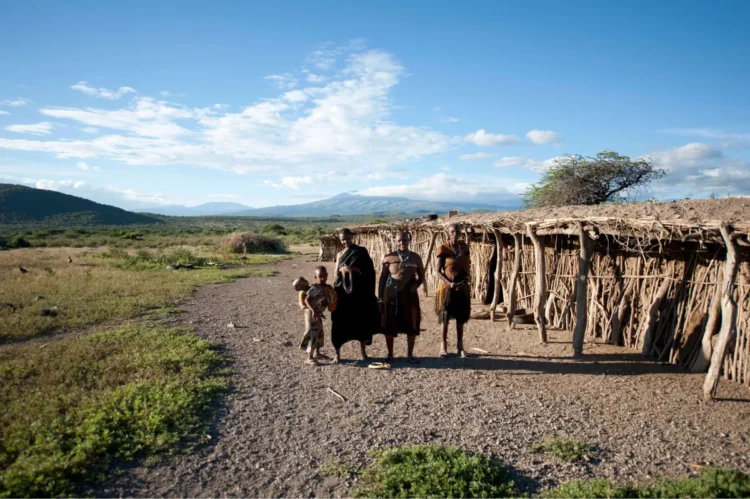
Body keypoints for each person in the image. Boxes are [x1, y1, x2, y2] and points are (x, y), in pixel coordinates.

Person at [331, 228, 379, 364]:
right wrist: (341, 271)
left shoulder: (361, 252)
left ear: (352, 237)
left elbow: (369, 271)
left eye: (348, 238)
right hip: (342, 294)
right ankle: (337, 354)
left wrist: (354, 269)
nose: (346, 241)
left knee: (361, 321)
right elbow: (335, 274)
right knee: (339, 321)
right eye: (343, 239)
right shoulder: (340, 254)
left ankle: (363, 352)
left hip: (359, 294)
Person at [378, 231, 425, 363]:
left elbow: (421, 276)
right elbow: (382, 279)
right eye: (399, 240)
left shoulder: (415, 258)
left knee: (412, 322)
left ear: (409, 240)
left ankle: (409, 354)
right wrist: (380, 298)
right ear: (395, 241)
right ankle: (390, 354)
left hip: (409, 294)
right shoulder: (389, 258)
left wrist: (415, 286)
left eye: (404, 240)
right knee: (389, 322)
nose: (402, 243)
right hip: (391, 294)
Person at [435, 223, 471, 358]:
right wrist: (449, 283)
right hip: (447, 288)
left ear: (460, 233)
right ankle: (443, 346)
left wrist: (466, 279)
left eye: (456, 231)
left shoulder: (464, 247)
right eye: (452, 232)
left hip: (462, 287)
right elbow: (438, 271)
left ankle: (460, 346)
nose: (454, 234)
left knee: (461, 317)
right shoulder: (443, 248)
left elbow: (467, 265)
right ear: (448, 233)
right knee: (445, 317)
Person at [293, 268, 336, 365]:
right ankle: (309, 357)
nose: (323, 278)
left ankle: (317, 353)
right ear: (315, 277)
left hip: (317, 313)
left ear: (327, 275)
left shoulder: (326, 287)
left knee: (320, 332)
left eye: (324, 276)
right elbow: (307, 300)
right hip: (311, 313)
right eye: (320, 277)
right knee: (313, 333)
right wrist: (313, 311)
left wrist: (319, 312)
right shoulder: (315, 288)